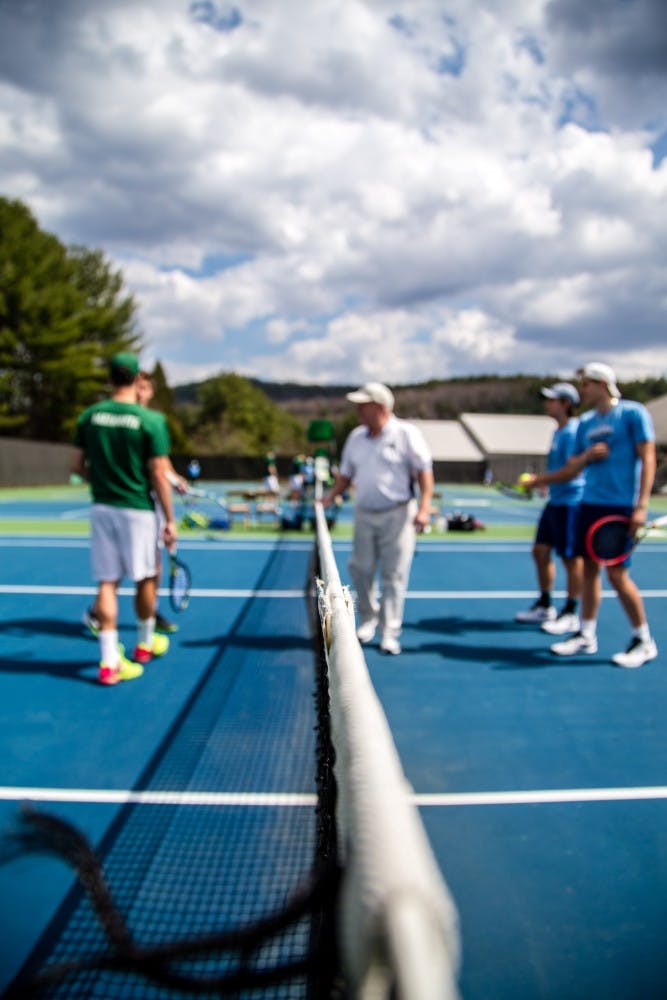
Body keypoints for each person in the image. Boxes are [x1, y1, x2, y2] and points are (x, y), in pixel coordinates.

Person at [522, 362, 657, 668]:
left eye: (585, 384)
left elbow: (648, 457)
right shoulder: (585, 424)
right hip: (589, 504)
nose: (581, 389)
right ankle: (586, 634)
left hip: (619, 506)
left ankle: (643, 640)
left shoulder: (632, 414)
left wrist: (640, 506)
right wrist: (581, 459)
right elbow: (572, 468)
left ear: (601, 383)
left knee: (617, 575)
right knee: (591, 572)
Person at [71, 352, 177, 685]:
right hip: (138, 511)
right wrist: (170, 520)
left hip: (102, 507)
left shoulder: (90, 416)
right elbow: (159, 475)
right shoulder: (151, 421)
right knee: (145, 577)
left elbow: (76, 466)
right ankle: (144, 645)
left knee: (106, 583)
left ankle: (108, 663)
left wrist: (101, 483)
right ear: (136, 380)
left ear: (109, 379)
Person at [322, 382, 434, 655]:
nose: (358, 409)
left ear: (381, 407)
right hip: (364, 514)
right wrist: (327, 497)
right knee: (360, 569)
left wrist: (424, 507)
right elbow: (346, 475)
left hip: (398, 514)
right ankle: (369, 620)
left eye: (364, 404)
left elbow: (424, 471)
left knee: (394, 575)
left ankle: (389, 632)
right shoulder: (356, 437)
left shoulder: (407, 433)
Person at [83, 370, 187, 636]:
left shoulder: (151, 423)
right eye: (137, 386)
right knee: (117, 573)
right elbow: (155, 470)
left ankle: (148, 615)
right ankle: (115, 623)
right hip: (133, 505)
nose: (141, 391)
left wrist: (175, 480)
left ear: (150, 391)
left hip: (144, 505)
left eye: (146, 387)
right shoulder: (130, 421)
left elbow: (162, 465)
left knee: (151, 568)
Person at [515, 382, 584, 634]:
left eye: (553, 399)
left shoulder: (574, 432)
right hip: (556, 501)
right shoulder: (558, 432)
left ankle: (571, 611)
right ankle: (545, 605)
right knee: (540, 551)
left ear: (566, 403)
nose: (547, 403)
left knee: (570, 558)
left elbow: (571, 472)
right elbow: (559, 471)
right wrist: (545, 486)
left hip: (572, 504)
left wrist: (538, 481)